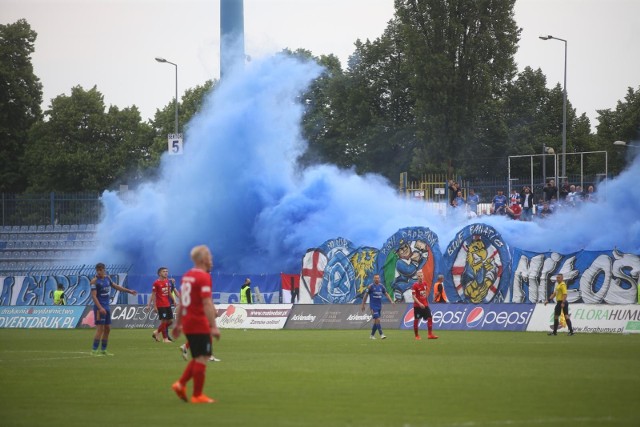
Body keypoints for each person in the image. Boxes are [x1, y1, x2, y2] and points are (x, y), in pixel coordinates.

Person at [171, 245, 221, 404]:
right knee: (202, 358)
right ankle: (197, 395)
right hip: (199, 322)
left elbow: (182, 303)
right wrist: (213, 326)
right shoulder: (203, 277)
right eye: (209, 256)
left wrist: (178, 324)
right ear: (203, 259)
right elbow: (206, 302)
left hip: (188, 322)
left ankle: (180, 384)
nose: (211, 259)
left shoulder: (187, 276)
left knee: (199, 356)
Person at [90, 263, 137, 356]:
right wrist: (100, 308)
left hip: (107, 307)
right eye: (97, 270)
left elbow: (116, 286)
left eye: (101, 270)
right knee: (100, 329)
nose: (99, 272)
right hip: (99, 308)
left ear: (104, 270)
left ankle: (104, 350)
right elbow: (94, 296)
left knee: (107, 329)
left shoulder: (108, 278)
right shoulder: (94, 282)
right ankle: (94, 350)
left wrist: (129, 291)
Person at [148, 267, 179, 343]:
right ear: (159, 273)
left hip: (167, 304)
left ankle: (156, 332)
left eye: (167, 271)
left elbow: (169, 292)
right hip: (160, 305)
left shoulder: (167, 281)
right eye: (164, 271)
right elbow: (153, 295)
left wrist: (174, 300)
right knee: (164, 322)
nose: (166, 273)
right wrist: (154, 306)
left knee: (171, 321)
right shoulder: (156, 283)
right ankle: (165, 339)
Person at [360, 274, 394, 339]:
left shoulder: (381, 286)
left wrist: (391, 301)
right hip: (373, 306)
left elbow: (386, 294)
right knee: (378, 319)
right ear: (373, 279)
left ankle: (372, 335)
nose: (377, 279)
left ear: (379, 279)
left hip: (379, 306)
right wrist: (363, 304)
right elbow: (365, 296)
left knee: (376, 321)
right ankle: (381, 334)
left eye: (378, 278)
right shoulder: (370, 286)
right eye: (375, 278)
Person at [411, 271, 438, 340]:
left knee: (430, 317)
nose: (420, 278)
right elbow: (413, 296)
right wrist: (420, 304)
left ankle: (430, 334)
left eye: (421, 276)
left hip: (425, 305)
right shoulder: (414, 285)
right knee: (416, 320)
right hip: (417, 306)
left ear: (423, 276)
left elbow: (424, 294)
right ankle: (416, 335)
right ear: (417, 277)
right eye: (419, 276)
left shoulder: (425, 284)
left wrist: (426, 302)